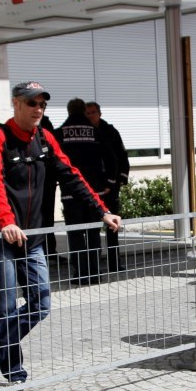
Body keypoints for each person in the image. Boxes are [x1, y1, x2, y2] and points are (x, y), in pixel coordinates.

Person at [0, 81, 120, 391]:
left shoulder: (45, 139)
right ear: (15, 104)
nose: (38, 109)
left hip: (34, 238)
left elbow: (72, 175)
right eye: (31, 103)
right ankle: (14, 377)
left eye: (42, 104)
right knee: (7, 309)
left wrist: (102, 211)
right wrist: (5, 221)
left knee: (40, 304)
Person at [56, 98, 118, 283]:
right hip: (94, 191)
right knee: (93, 232)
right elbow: (111, 156)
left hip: (70, 191)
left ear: (68, 112)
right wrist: (110, 181)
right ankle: (94, 272)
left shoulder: (59, 133)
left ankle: (81, 273)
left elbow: (52, 161)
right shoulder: (95, 132)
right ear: (83, 111)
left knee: (75, 233)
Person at [85, 101, 130, 271]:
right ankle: (95, 265)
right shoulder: (84, 134)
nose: (90, 116)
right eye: (87, 113)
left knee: (113, 227)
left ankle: (114, 263)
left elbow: (121, 157)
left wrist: (118, 180)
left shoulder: (110, 131)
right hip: (92, 188)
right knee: (93, 228)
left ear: (100, 113)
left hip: (111, 187)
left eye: (93, 112)